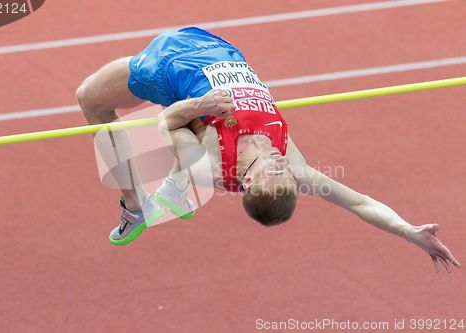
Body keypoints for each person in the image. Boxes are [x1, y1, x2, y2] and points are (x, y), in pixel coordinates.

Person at [76, 27, 460, 273]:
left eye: (274, 172)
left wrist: (200, 107)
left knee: (90, 99)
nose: (282, 163)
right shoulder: (293, 166)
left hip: (167, 68)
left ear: (247, 181)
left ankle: (135, 207)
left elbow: (166, 124)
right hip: (218, 50)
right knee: (196, 138)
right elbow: (360, 203)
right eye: (287, 174)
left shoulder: (210, 165)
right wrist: (409, 231)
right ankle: (177, 192)